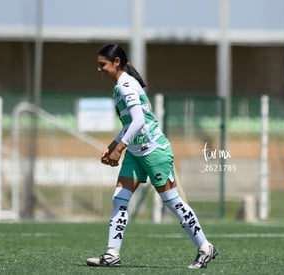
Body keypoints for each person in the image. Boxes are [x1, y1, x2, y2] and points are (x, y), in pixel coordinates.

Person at [86, 43, 217, 269]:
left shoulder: (126, 85)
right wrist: (115, 143)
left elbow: (139, 122)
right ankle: (112, 254)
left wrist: (120, 147)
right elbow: (131, 123)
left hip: (154, 152)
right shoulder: (120, 86)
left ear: (116, 63)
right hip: (136, 155)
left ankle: (205, 247)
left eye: (102, 65)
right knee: (119, 200)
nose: (99, 70)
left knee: (173, 202)